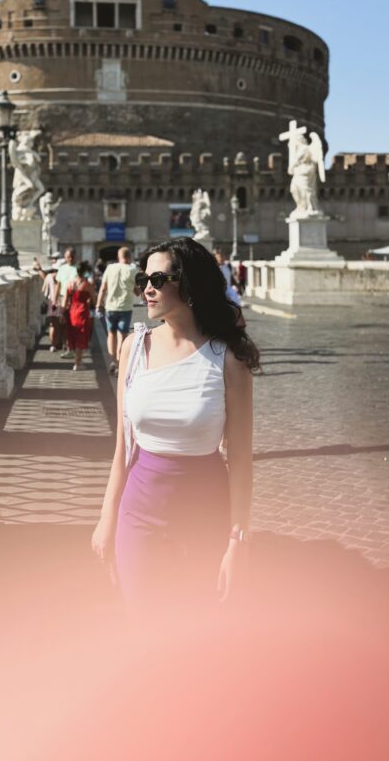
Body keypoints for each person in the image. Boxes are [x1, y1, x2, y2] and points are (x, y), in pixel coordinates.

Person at [91, 237, 259, 625]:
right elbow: (122, 448)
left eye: (157, 278)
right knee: (144, 627)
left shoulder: (228, 360)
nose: (146, 288)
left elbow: (241, 460)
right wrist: (106, 518)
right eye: (142, 279)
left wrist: (238, 543)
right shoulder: (133, 348)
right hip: (139, 512)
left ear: (189, 285)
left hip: (205, 513)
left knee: (197, 628)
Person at [97, 246, 138, 375]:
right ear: (129, 257)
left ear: (118, 257)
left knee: (111, 334)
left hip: (110, 306)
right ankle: (120, 365)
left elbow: (103, 288)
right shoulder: (133, 270)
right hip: (125, 307)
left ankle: (112, 361)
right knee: (122, 336)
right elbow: (137, 292)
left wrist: (98, 304)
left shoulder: (110, 268)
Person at [65, 261, 97, 371]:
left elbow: (65, 302)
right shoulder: (87, 285)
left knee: (74, 335)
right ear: (84, 272)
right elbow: (94, 300)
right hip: (82, 312)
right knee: (81, 336)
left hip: (72, 312)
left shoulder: (70, 283)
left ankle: (77, 361)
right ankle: (77, 363)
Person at [55, 248, 78, 358]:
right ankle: (68, 346)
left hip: (76, 300)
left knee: (75, 325)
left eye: (72, 256)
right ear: (65, 257)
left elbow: (88, 282)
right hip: (64, 300)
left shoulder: (79, 268)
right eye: (68, 256)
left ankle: (74, 347)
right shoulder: (62, 269)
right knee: (64, 324)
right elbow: (58, 286)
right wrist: (55, 300)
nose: (70, 259)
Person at [42, 267, 65, 352]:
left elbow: (43, 289)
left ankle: (52, 345)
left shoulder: (48, 276)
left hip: (51, 302)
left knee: (52, 324)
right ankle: (61, 342)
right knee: (61, 324)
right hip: (61, 301)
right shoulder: (60, 276)